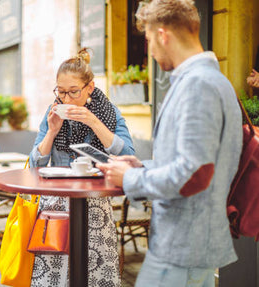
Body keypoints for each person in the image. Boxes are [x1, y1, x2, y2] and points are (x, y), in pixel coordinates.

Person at [97, 1, 242, 286]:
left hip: (181, 248)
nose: (149, 51)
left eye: (149, 40)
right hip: (188, 246)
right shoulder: (209, 80)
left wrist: (132, 178)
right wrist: (142, 165)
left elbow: (194, 173)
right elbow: (195, 162)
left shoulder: (198, 84)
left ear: (163, 35)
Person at [29, 48, 134, 286]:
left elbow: (128, 155)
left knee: (95, 276)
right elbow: (35, 163)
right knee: (54, 278)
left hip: (95, 205)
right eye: (61, 91)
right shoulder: (52, 112)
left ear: (90, 87)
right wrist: (52, 131)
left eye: (73, 92)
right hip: (56, 205)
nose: (66, 99)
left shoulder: (108, 113)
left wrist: (93, 122)